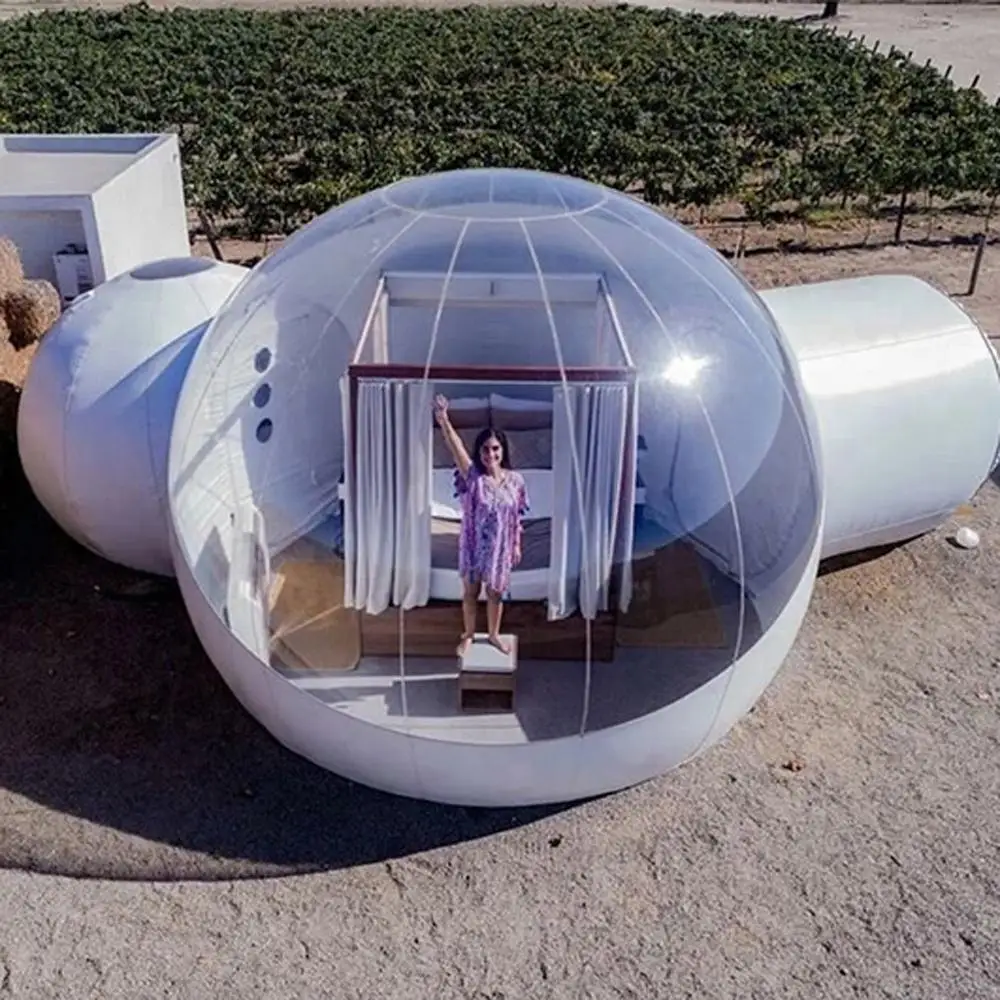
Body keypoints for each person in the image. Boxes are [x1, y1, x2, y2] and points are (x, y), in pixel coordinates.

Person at [433, 393, 528, 657]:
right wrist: (444, 421)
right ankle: (469, 635)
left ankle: (494, 635)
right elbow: (456, 448)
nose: (491, 454)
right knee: (471, 593)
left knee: (495, 593)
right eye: (486, 449)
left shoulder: (516, 481)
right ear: (480, 452)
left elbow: (517, 516)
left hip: (501, 548)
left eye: (496, 449)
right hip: (474, 545)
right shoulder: (473, 476)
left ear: (503, 451)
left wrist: (516, 545)